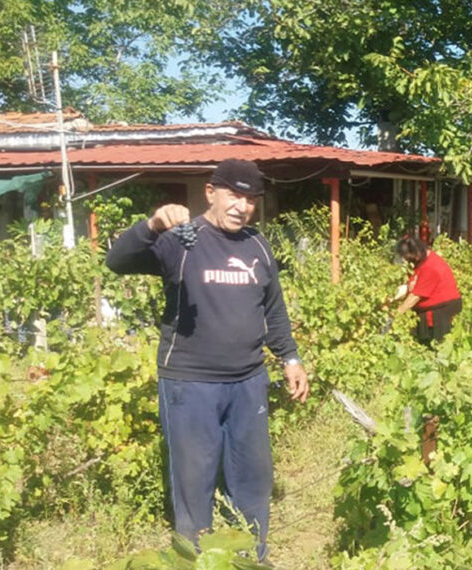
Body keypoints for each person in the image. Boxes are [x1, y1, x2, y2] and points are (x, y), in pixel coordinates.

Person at [105, 159, 309, 562]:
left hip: (249, 381)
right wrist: (151, 226)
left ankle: (251, 556)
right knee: (194, 480)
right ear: (211, 193)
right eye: (234, 195)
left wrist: (290, 358)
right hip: (189, 383)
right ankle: (194, 557)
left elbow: (273, 307)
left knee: (252, 477)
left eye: (251, 199)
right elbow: (117, 262)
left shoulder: (258, 244)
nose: (243, 206)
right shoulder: (180, 240)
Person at [391, 235, 463, 345]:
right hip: (432, 309)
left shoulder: (431, 266)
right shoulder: (421, 261)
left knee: (435, 346)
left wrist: (397, 314)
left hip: (441, 311)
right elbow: (412, 284)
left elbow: (415, 296)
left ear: (415, 253)